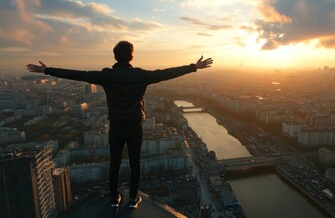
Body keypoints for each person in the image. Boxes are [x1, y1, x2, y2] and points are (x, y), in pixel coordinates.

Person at [26, 41, 213, 208]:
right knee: (135, 163)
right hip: (134, 126)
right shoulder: (140, 75)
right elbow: (166, 73)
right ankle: (133, 199)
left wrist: (47, 70)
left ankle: (114, 199)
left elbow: (78, 75)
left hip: (115, 127)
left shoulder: (106, 75)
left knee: (114, 164)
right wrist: (193, 67)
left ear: (115, 56)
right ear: (132, 56)